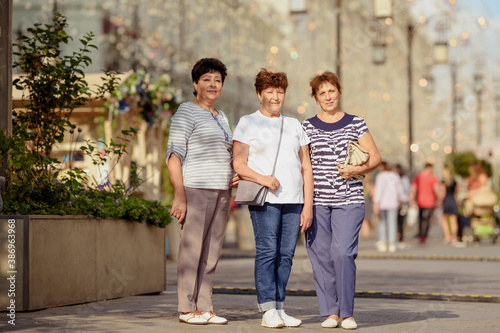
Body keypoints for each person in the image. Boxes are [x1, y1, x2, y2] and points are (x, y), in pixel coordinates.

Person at [232, 69, 314, 329]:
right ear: (259, 94)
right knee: (268, 252)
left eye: (280, 91)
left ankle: (280, 306)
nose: (276, 96)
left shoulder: (294, 125)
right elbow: (239, 164)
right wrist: (265, 179)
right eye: (270, 91)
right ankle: (267, 308)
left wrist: (308, 205)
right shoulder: (247, 122)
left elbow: (306, 167)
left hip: (294, 199)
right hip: (265, 199)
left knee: (286, 255)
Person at [301, 71, 381, 330]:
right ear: (316, 97)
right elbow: (302, 166)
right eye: (321, 93)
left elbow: (375, 158)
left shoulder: (356, 123)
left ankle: (347, 312)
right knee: (321, 256)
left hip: (349, 199)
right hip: (317, 202)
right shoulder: (306, 127)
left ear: (339, 92)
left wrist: (355, 170)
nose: (327, 97)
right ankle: (330, 312)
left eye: (331, 91)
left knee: (343, 252)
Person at [166, 58, 239, 325]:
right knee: (192, 250)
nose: (212, 84)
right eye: (206, 79)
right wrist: (179, 195)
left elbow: (229, 153)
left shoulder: (222, 116)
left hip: (221, 192)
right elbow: (174, 155)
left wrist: (236, 172)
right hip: (195, 189)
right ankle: (187, 308)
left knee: (212, 251)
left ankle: (205, 306)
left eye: (217, 80)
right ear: (196, 83)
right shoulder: (186, 111)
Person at [373, 161, 404, 253]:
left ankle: (383, 242)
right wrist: (400, 200)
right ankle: (392, 243)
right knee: (392, 223)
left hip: (382, 203)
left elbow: (379, 190)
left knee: (382, 223)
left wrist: (376, 203)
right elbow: (399, 190)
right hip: (393, 202)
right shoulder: (395, 176)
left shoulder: (381, 176)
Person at [409, 163, 439, 244]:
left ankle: (421, 234)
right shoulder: (433, 178)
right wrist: (438, 199)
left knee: (421, 219)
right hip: (430, 201)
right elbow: (436, 190)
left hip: (420, 201)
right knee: (427, 219)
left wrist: (412, 199)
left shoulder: (418, 176)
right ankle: (424, 235)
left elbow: (413, 189)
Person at [439, 165, 459, 244]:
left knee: (444, 220)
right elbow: (457, 193)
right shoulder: (454, 181)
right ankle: (454, 237)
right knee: (453, 220)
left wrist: (439, 201)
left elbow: (442, 193)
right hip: (453, 200)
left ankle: (447, 236)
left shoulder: (443, 182)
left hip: (446, 200)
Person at [394, 164, 411, 249]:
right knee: (395, 222)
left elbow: (407, 190)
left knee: (401, 222)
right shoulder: (393, 178)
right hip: (394, 203)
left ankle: (401, 239)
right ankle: (396, 238)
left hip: (402, 203)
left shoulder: (404, 179)